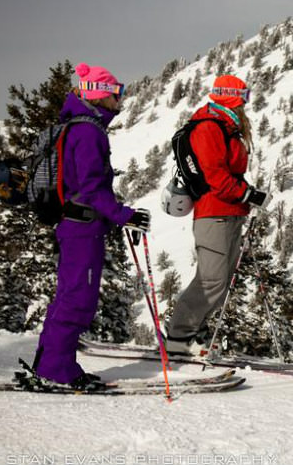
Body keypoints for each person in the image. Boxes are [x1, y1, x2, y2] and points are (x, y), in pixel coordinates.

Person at [32, 62, 151, 389]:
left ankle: (49, 362)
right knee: (77, 300)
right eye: (117, 92)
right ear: (100, 95)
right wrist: (125, 215)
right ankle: (56, 369)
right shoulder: (88, 132)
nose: (120, 98)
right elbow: (91, 188)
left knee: (68, 296)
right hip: (82, 227)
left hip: (76, 225)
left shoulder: (77, 125)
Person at [165, 75, 267, 354]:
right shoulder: (209, 128)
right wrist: (246, 193)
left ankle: (191, 334)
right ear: (230, 96)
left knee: (219, 281)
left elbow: (229, 173)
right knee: (212, 279)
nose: (246, 102)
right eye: (243, 96)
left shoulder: (226, 126)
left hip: (231, 212)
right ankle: (178, 337)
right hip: (214, 213)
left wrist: (246, 194)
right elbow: (214, 176)